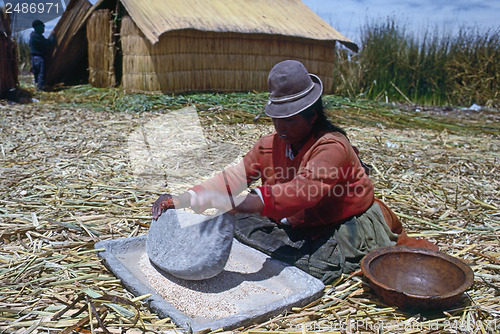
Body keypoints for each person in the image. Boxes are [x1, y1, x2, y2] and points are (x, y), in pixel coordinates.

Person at [152, 60, 438, 284]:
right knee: (231, 224)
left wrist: (243, 202)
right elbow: (232, 178)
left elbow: (302, 193)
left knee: (313, 267)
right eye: (277, 119)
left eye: (288, 120)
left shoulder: (331, 147)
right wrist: (183, 199)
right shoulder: (269, 146)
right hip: (296, 222)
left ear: (312, 115)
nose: (281, 128)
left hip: (342, 224)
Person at [29, 19, 55, 91]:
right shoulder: (37, 37)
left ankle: (38, 87)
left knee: (36, 73)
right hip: (39, 58)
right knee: (41, 73)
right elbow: (48, 43)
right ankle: (40, 89)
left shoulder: (32, 36)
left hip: (34, 59)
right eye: (42, 27)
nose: (43, 29)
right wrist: (52, 36)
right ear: (38, 28)